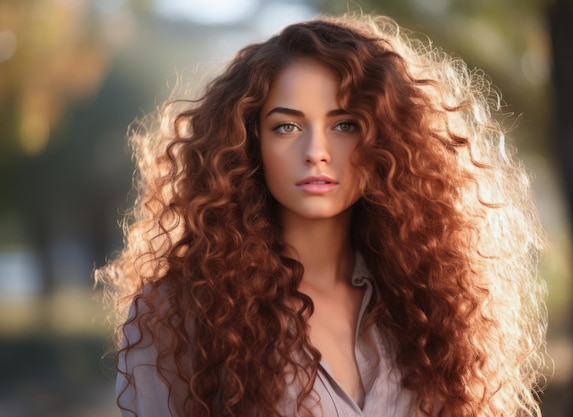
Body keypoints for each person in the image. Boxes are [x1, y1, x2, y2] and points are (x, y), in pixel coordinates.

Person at [97, 13, 548, 417]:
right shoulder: (178, 312)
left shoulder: (430, 303)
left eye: (344, 125)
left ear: (385, 142)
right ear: (249, 143)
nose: (316, 152)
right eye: (287, 127)